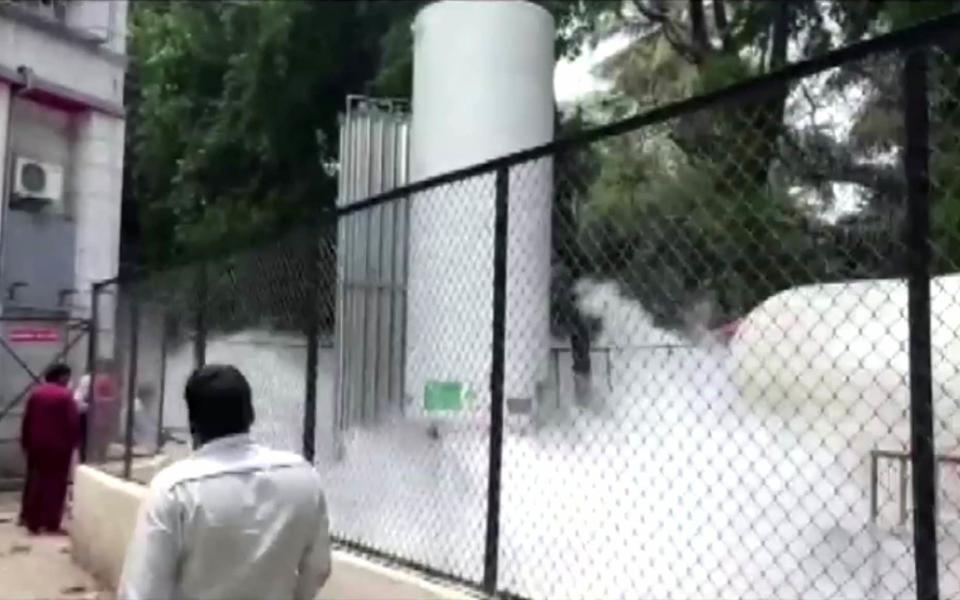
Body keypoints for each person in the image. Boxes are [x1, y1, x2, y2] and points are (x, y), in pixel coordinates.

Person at [118, 365, 331, 600]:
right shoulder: (302, 477)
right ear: (251, 414)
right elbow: (318, 568)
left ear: (192, 423)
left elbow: (142, 591)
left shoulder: (174, 490)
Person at [19, 363, 81, 534]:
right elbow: (73, 422)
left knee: (35, 481)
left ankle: (32, 520)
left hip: (36, 445)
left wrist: (25, 442)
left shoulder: (36, 394)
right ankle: (51, 522)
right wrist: (75, 442)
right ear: (61, 377)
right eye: (67, 376)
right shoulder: (65, 396)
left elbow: (27, 420)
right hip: (58, 447)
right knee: (55, 484)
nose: (69, 380)